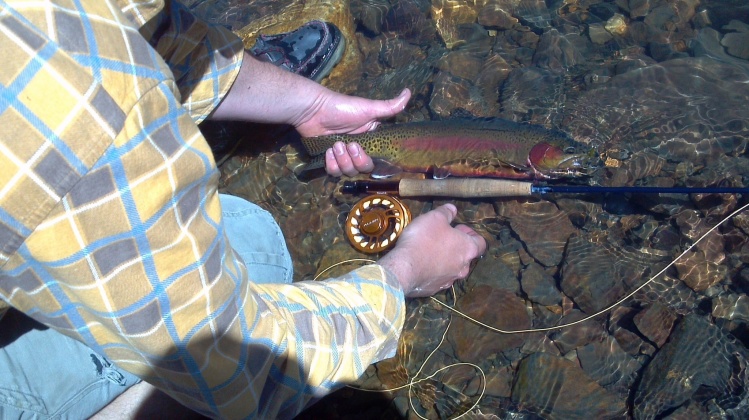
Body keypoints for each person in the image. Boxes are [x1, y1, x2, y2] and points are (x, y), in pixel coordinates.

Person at [0, 1, 486, 419]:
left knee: (244, 232)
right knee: (259, 265)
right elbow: (246, 374)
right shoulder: (81, 133)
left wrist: (305, 105)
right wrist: (403, 276)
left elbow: (146, 29)